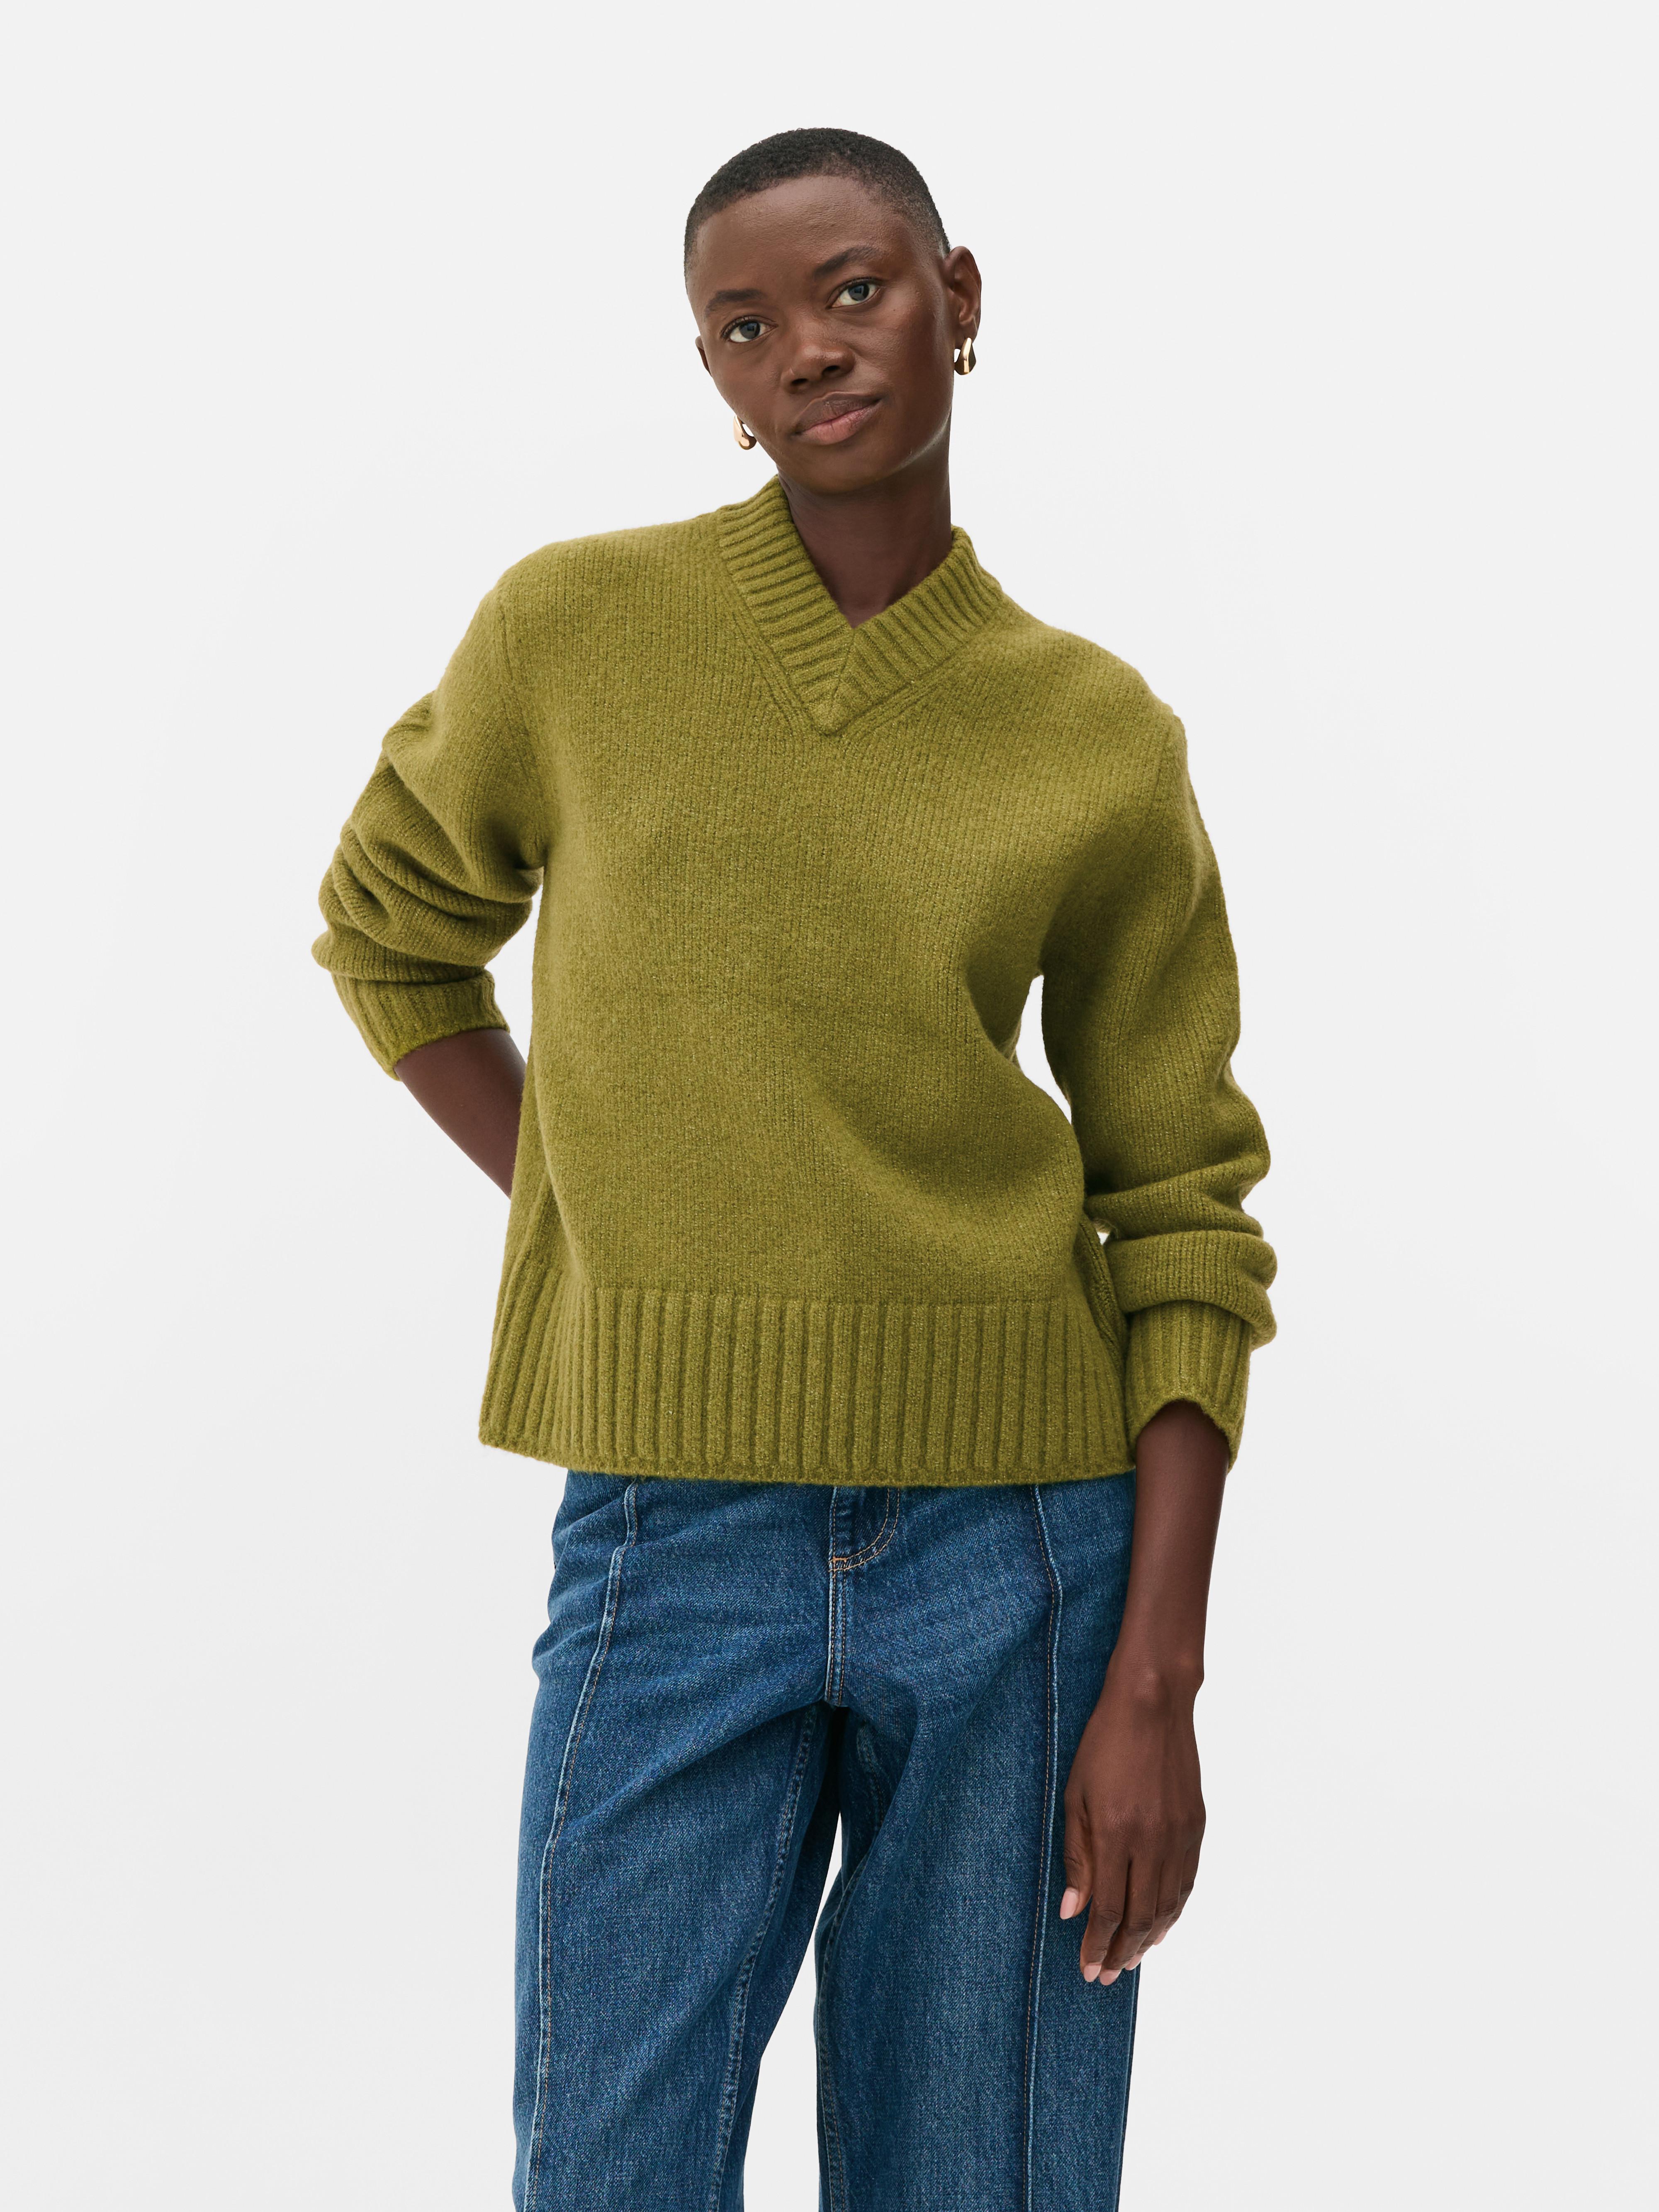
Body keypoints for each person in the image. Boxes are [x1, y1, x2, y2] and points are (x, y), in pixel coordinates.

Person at [313, 126, 1275, 2212]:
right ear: (714, 378)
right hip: (673, 1535)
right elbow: (388, 933)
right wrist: (603, 1209)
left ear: (958, 297)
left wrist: (1158, 1676)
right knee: (608, 2171)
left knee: (980, 2181)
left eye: (853, 290)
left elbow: (1184, 1209)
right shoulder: (577, 627)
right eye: (743, 327)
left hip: (1026, 1555)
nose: (809, 351)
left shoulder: (1092, 731)